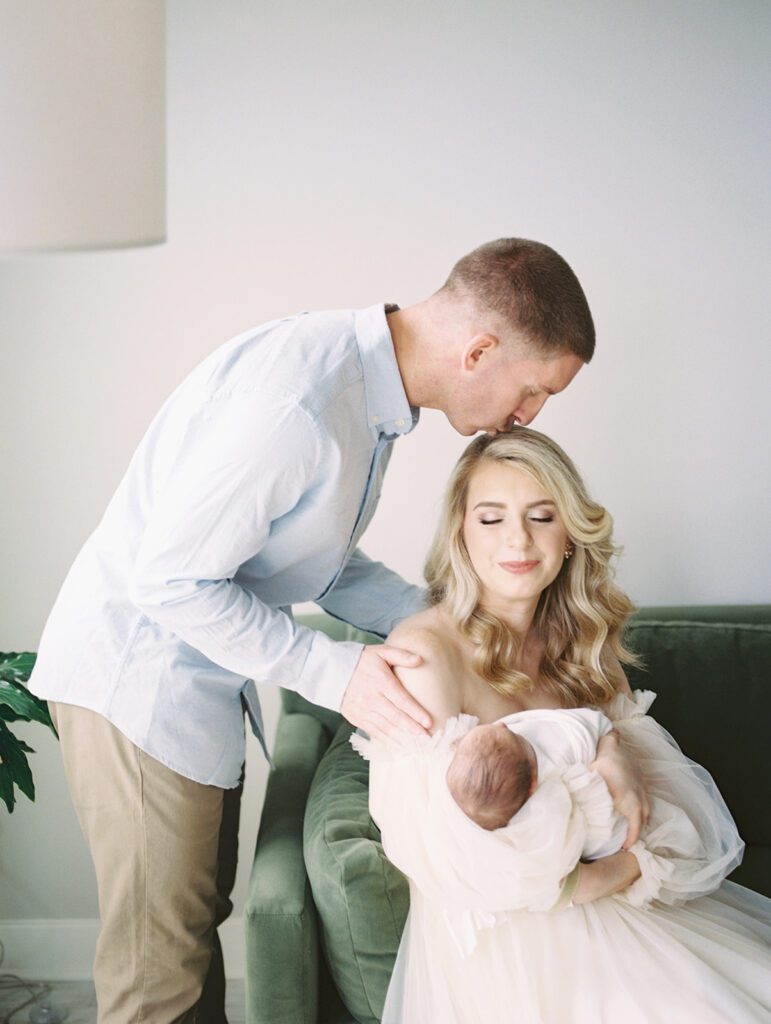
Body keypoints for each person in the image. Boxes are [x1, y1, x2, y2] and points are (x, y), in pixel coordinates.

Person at [29, 238, 612, 1022]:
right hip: (140, 683)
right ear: (479, 351)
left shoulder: (359, 395)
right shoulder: (300, 403)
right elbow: (169, 579)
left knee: (192, 940)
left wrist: (451, 621)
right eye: (534, 390)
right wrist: (336, 672)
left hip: (194, 682)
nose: (528, 417)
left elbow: (317, 566)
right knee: (155, 982)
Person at [357, 428, 771, 1024]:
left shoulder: (581, 641)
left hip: (624, 904)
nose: (518, 540)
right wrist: (618, 869)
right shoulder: (425, 653)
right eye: (491, 518)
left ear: (571, 532)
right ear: (461, 535)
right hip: (513, 936)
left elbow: (660, 800)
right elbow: (443, 854)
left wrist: (616, 750)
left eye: (542, 516)